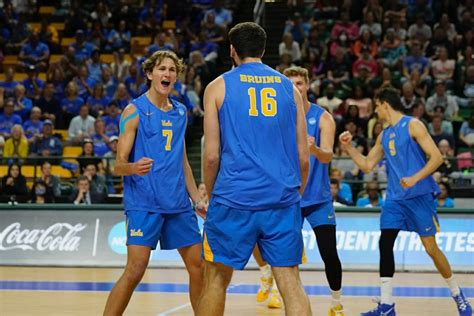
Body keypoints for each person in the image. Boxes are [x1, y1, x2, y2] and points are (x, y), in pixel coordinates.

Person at [198, 22, 311, 316]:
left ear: (232, 51)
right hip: (281, 200)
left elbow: (210, 156)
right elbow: (303, 156)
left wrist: (210, 194)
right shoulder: (289, 88)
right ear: (263, 49)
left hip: (233, 199)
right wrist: (296, 191)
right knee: (291, 283)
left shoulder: (217, 87)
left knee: (216, 282)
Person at [339, 88, 472, 316]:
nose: (375, 110)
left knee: (431, 248)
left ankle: (458, 295)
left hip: (419, 196)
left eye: (376, 105)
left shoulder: (413, 125)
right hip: (395, 199)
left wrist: (414, 178)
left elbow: (437, 157)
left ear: (384, 104)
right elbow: (368, 165)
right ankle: (387, 305)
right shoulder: (384, 134)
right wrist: (348, 147)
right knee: (385, 243)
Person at [103, 50, 206, 315]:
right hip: (144, 203)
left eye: (172, 70)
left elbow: (182, 161)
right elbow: (117, 165)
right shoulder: (134, 111)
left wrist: (196, 198)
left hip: (178, 205)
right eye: (162, 69)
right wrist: (133, 168)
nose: (167, 74)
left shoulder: (181, 111)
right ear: (150, 74)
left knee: (199, 266)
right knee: (135, 270)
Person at [285, 66, 345, 315]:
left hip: (318, 198)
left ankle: (336, 302)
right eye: (290, 84)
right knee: (287, 256)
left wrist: (316, 149)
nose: (295, 88)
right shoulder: (280, 118)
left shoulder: (323, 118)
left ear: (307, 85)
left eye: (299, 83)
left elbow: (329, 155)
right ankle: (293, 301)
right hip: (290, 197)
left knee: (329, 253)